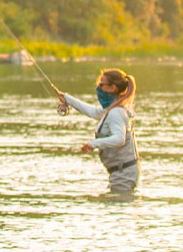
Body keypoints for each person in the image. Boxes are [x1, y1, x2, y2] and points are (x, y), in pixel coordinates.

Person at [56, 68, 139, 196]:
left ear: (113, 88)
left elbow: (119, 138)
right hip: (121, 171)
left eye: (101, 84)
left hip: (124, 173)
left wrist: (93, 144)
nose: (98, 88)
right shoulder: (111, 109)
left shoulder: (116, 112)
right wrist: (67, 99)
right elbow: (93, 111)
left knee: (118, 207)